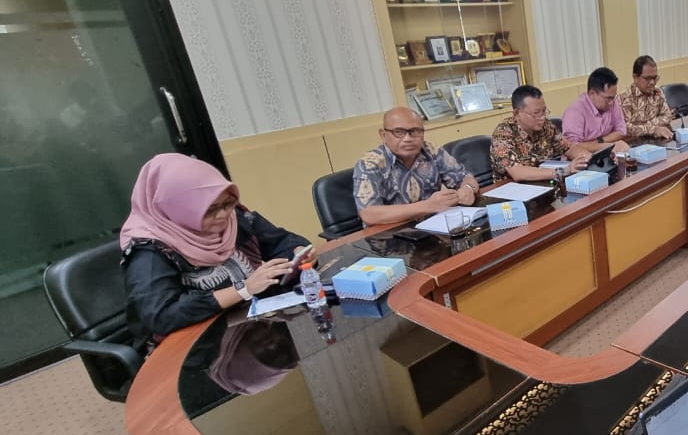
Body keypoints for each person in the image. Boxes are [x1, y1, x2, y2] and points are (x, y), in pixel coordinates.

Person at [121, 154, 314, 347]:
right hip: (193, 347)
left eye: (227, 203)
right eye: (209, 209)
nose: (222, 215)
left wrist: (299, 252)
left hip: (250, 325)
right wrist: (243, 289)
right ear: (176, 208)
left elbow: (281, 242)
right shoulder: (149, 252)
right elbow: (162, 316)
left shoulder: (234, 218)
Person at [352, 108, 479, 226]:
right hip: (391, 235)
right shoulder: (369, 164)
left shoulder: (431, 151)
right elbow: (369, 214)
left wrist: (468, 189)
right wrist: (428, 206)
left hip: (433, 227)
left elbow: (466, 178)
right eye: (399, 132)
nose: (408, 138)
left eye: (415, 131)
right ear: (383, 135)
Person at [490, 85, 591, 182]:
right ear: (517, 114)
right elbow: (518, 173)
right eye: (536, 113)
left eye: (544, 111)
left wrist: (585, 158)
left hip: (545, 184)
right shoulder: (503, 134)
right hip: (513, 192)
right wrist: (564, 171)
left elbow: (569, 148)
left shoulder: (546, 126)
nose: (542, 118)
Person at [562, 67, 630, 154]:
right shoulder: (575, 111)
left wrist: (600, 141)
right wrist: (608, 146)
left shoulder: (612, 102)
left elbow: (621, 131)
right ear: (592, 93)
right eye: (608, 98)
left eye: (613, 97)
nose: (612, 102)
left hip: (606, 156)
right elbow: (571, 146)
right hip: (581, 160)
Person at [617, 55, 675, 141]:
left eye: (654, 78)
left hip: (658, 141)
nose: (652, 82)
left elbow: (667, 116)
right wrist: (653, 129)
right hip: (635, 145)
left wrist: (643, 126)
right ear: (635, 77)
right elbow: (626, 128)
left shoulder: (657, 92)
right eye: (647, 78)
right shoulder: (624, 98)